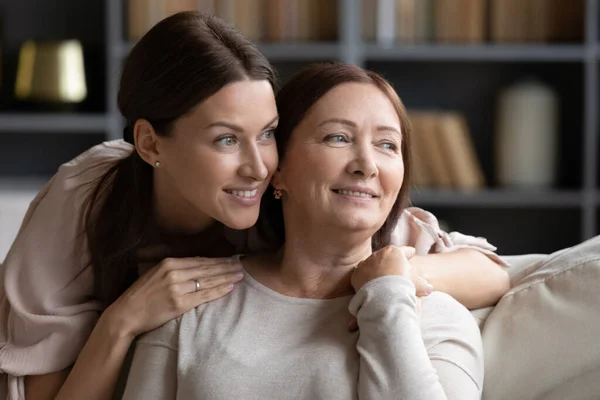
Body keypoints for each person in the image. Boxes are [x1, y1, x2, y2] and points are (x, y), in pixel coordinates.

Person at [0, 12, 508, 400]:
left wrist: (396, 277)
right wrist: (123, 319)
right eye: (225, 140)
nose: (258, 167)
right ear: (151, 144)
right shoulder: (88, 196)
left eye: (267, 134)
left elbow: (489, 272)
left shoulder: (297, 199)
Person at [123, 62, 486, 399]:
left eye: (387, 145)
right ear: (276, 167)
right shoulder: (191, 300)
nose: (366, 165)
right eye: (338, 138)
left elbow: (495, 270)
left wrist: (387, 297)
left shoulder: (438, 318)